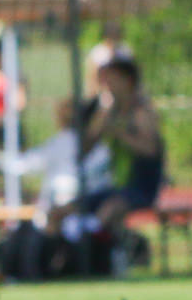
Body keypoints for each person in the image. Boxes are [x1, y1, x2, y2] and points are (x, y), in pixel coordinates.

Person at [61, 53, 163, 257]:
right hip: (114, 187)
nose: (108, 85)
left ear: (128, 81)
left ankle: (96, 256)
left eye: (113, 79)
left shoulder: (141, 113)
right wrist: (93, 126)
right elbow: (83, 152)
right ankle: (63, 257)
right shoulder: (109, 112)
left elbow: (151, 150)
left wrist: (119, 132)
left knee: (108, 211)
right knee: (65, 210)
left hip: (140, 188)